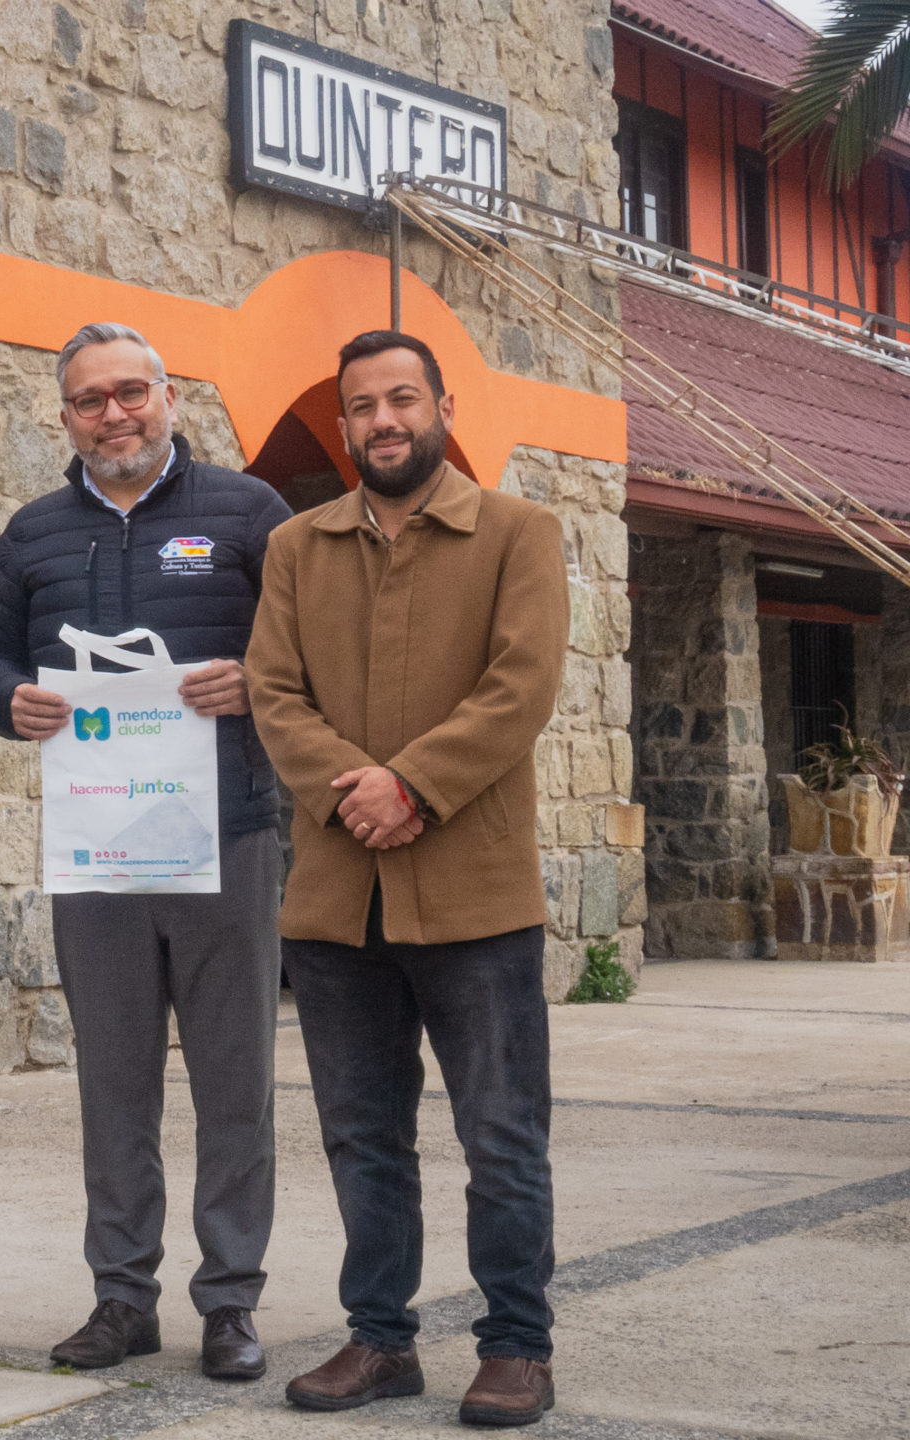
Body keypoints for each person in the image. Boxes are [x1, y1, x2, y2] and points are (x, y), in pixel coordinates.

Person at [247, 331, 568, 1428]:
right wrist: (352, 791)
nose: (382, 420)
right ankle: (380, 1341)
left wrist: (413, 787)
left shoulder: (518, 533)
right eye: (361, 407)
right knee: (361, 1135)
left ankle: (517, 1346)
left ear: (437, 406)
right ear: (341, 427)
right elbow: (271, 692)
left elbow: (519, 687)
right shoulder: (296, 546)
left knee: (500, 1133)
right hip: (337, 902)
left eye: (401, 399)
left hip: (475, 899)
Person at [0, 323, 291, 1382]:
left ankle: (230, 1302)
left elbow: (322, 637)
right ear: (66, 418)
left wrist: (254, 678)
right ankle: (121, 1298)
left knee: (234, 1075)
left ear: (169, 396)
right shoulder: (34, 532)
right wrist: (5, 700)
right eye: (89, 400)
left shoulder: (247, 513)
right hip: (98, 845)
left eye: (130, 393)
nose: (113, 414)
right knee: (113, 1078)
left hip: (227, 834)